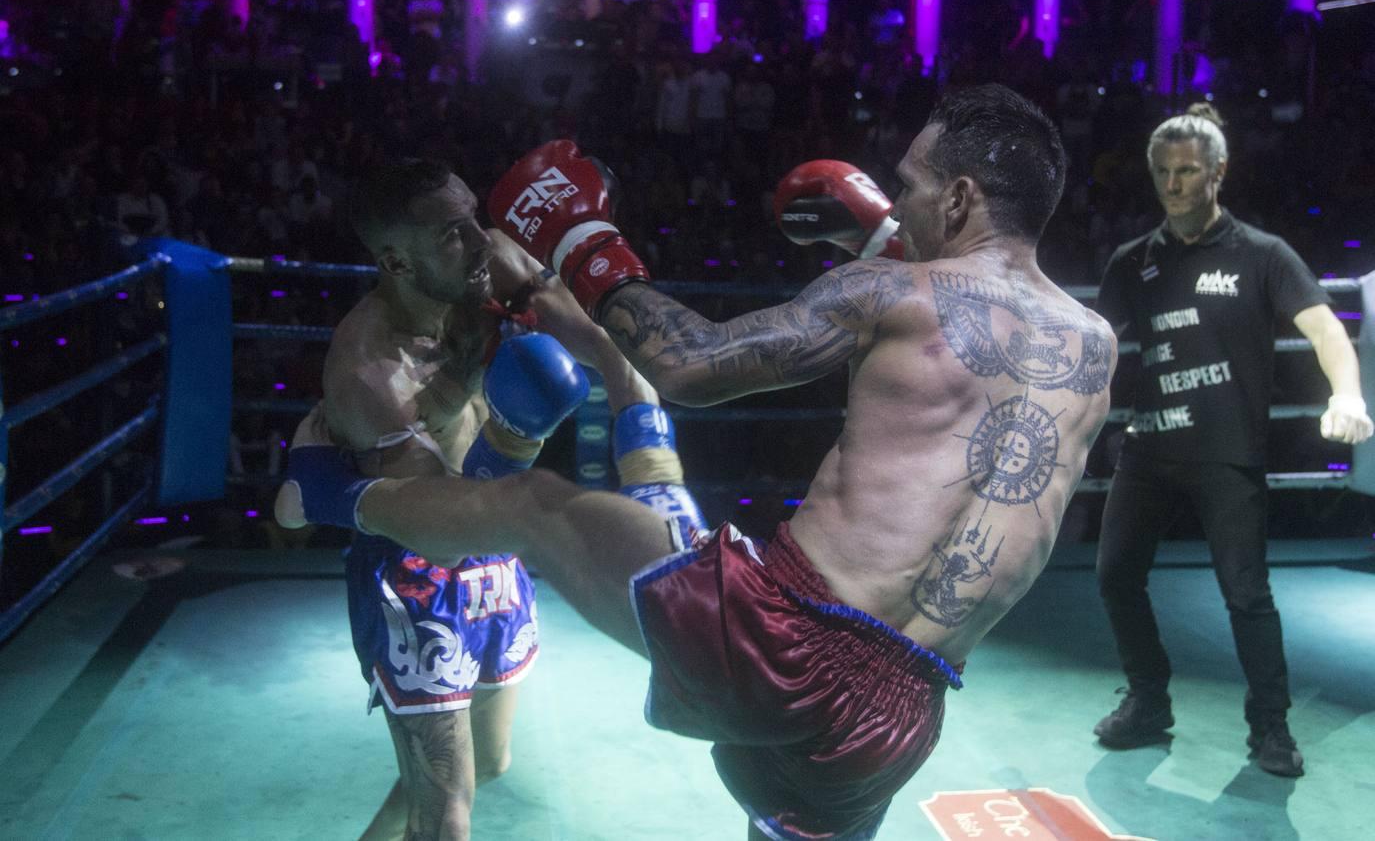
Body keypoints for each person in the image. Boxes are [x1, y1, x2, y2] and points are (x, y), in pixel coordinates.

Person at [284, 85, 1116, 840]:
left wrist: (586, 240)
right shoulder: (1092, 343)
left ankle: (340, 497)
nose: (894, 202)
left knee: (536, 505)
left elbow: (692, 365)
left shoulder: (884, 292)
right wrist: (888, 235)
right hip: (900, 711)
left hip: (779, 642)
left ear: (961, 197)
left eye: (909, 185)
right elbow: (979, 329)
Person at [277, 158, 683, 841]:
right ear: (396, 263)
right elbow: (442, 525)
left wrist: (637, 422)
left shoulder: (483, 260)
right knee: (444, 812)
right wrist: (515, 435)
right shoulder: (369, 375)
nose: (479, 240)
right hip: (414, 572)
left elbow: (606, 351)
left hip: (500, 542)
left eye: (472, 216)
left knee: (490, 764)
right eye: (449, 233)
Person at [1091, 103, 1372, 777]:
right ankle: (1148, 700)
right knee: (1113, 576)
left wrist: (1346, 392)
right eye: (1162, 172)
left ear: (1218, 173)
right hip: (1147, 449)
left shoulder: (1262, 254)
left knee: (1246, 594)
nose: (1173, 185)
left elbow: (1326, 330)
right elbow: (1091, 350)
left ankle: (1269, 728)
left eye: (1187, 171)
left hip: (1227, 453)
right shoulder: (1131, 263)